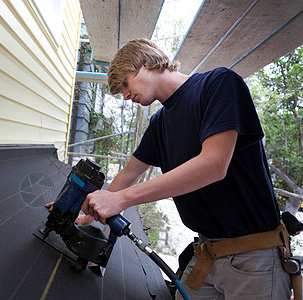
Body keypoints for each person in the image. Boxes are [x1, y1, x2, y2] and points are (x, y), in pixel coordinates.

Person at [48, 38, 294, 299]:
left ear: (145, 63)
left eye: (125, 84)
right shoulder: (159, 124)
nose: (126, 96)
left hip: (253, 257)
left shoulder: (218, 84)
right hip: (208, 252)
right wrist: (87, 211)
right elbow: (129, 173)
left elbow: (213, 165)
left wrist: (121, 200)